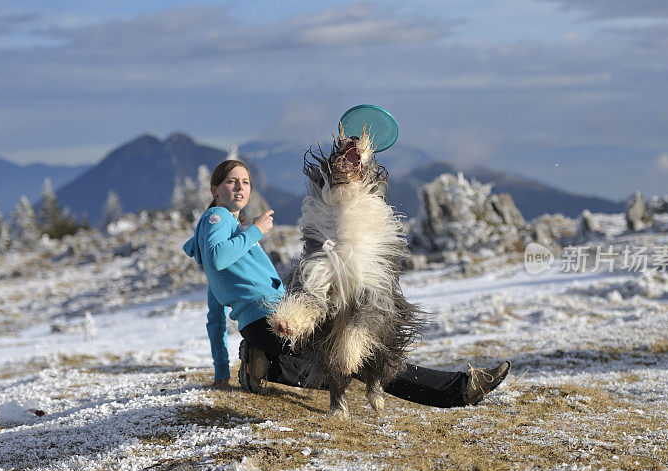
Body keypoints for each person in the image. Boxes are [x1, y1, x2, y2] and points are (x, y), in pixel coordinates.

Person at [183, 159, 510, 407]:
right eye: (230, 182)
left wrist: (221, 373)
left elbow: (215, 313)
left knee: (333, 369)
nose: (240, 188)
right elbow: (217, 257)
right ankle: (456, 391)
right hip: (272, 320)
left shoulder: (222, 229)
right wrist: (255, 231)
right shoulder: (218, 220)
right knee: (364, 358)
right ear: (214, 190)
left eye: (246, 182)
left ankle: (264, 366)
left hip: (262, 325)